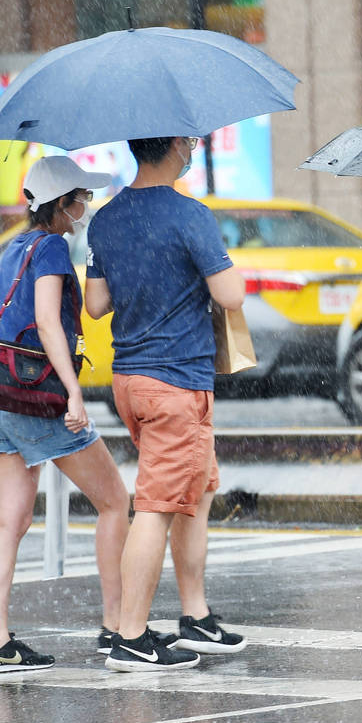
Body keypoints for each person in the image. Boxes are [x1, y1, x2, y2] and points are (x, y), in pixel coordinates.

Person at [85, 136, 247, 672]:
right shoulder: (189, 214)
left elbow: (96, 304)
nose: (195, 146)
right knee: (156, 507)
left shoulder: (106, 219)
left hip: (132, 380)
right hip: (177, 381)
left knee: (193, 491)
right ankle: (129, 634)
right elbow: (230, 295)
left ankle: (194, 616)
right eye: (192, 139)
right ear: (176, 145)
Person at [0, 156, 130, 673]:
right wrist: (74, 394)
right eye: (79, 198)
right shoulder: (55, 248)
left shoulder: (15, 247)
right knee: (114, 501)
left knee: (9, 522)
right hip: (42, 401)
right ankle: (116, 626)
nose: (85, 205)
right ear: (61, 204)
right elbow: (46, 321)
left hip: (3, 396)